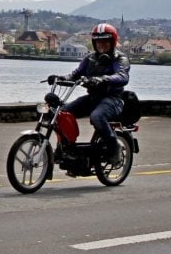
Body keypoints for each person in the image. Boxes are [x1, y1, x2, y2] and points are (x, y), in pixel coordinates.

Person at [48, 22, 130, 161]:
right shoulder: (90, 58)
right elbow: (76, 74)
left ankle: (113, 147)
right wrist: (60, 78)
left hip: (113, 99)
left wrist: (103, 79)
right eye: (98, 42)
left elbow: (122, 76)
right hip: (93, 98)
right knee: (61, 114)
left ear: (112, 42)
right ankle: (66, 147)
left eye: (105, 41)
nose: (101, 45)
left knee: (97, 117)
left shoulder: (119, 59)